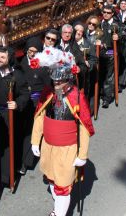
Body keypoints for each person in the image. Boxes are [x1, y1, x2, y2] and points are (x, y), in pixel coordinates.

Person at [31, 63, 94, 216]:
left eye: (60, 81)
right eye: (54, 81)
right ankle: (58, 208)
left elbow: (84, 128)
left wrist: (82, 155)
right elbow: (40, 117)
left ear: (68, 79)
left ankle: (58, 213)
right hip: (48, 147)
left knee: (63, 186)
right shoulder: (48, 93)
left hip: (68, 149)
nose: (56, 84)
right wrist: (35, 140)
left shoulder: (77, 98)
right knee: (52, 179)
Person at [0, 46, 29, 195]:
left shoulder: (17, 75)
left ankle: (7, 178)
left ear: (9, 59)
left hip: (10, 117)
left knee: (8, 149)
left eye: (2, 57)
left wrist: (17, 103)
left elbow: (25, 94)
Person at [20, 36, 50, 175]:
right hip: (24, 102)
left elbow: (47, 85)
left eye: (34, 51)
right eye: (30, 50)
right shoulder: (21, 64)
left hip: (38, 102)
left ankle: (27, 161)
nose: (31, 53)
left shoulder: (43, 66)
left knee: (34, 131)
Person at [99, 4, 119, 108]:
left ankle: (107, 98)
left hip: (111, 52)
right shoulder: (99, 23)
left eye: (108, 13)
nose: (106, 14)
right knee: (100, 74)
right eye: (104, 12)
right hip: (99, 52)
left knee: (109, 76)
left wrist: (118, 36)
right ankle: (101, 93)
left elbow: (124, 32)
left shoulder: (115, 24)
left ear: (112, 14)